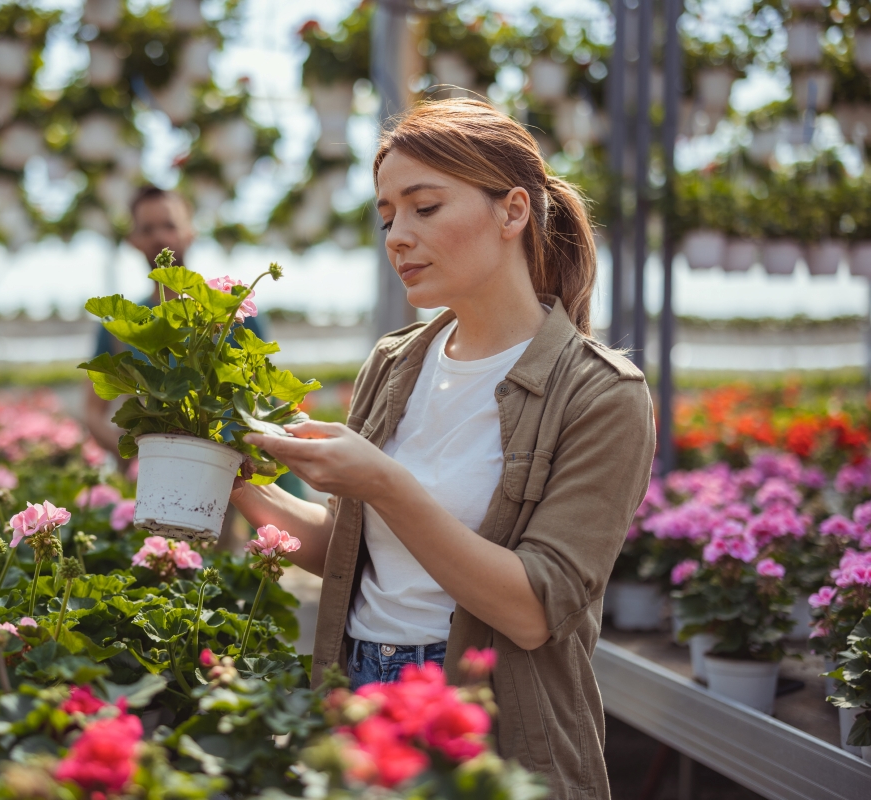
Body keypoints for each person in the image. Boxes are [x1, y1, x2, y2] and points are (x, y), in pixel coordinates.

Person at [230, 98, 656, 799]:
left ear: (513, 211)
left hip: (486, 717)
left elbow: (533, 610)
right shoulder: (395, 363)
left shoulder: (602, 394)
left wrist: (384, 483)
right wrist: (235, 478)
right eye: (387, 215)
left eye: (424, 207)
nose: (397, 235)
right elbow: (344, 546)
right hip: (356, 695)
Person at [83, 184, 269, 460]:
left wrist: (237, 459)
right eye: (147, 229)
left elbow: (262, 399)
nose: (159, 236)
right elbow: (92, 412)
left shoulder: (232, 309)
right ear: (133, 240)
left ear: (191, 233)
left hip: (236, 474)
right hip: (160, 474)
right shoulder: (117, 324)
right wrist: (136, 460)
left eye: (169, 225)